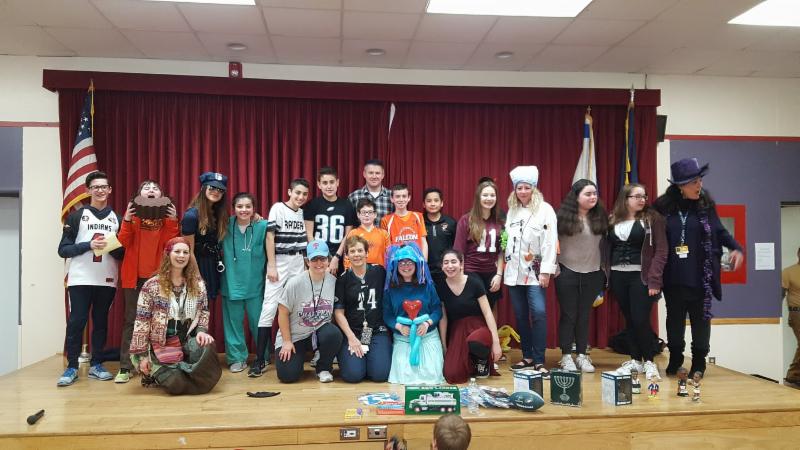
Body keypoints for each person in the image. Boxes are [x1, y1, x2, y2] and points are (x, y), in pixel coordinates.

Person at [654, 158, 743, 377]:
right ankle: (675, 360)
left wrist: (736, 248)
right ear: (680, 186)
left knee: (701, 322)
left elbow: (720, 231)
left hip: (700, 277)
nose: (699, 186)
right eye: (694, 182)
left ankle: (699, 363)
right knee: (674, 322)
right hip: (673, 277)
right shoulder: (663, 208)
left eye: (700, 180)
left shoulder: (706, 206)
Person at [57, 171, 124, 387]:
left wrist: (111, 246)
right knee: (77, 321)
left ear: (110, 190)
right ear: (88, 190)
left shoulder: (118, 219)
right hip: (80, 278)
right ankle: (71, 367)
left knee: (101, 322)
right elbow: (63, 249)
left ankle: (96, 364)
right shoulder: (77, 216)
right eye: (96, 187)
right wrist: (89, 245)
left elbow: (123, 254)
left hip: (106, 279)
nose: (100, 190)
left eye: (104, 187)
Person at [129, 237, 218, 394]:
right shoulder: (151, 285)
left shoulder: (198, 284)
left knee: (206, 346)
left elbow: (204, 310)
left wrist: (201, 332)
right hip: (159, 346)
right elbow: (142, 322)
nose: (181, 256)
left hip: (185, 341)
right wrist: (143, 356)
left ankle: (180, 368)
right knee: (176, 384)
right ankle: (169, 372)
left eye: (185, 252)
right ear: (168, 254)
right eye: (177, 251)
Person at [115, 179, 179, 383]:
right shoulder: (132, 215)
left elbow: (171, 244)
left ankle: (159, 364)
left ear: (162, 195)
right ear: (139, 194)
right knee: (131, 321)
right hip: (134, 278)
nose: (151, 190)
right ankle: (126, 366)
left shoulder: (167, 216)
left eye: (155, 188)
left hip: (159, 278)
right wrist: (126, 219)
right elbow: (122, 242)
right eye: (146, 187)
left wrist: (173, 220)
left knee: (161, 321)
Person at [608, 183, 668, 382]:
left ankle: (649, 361)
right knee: (629, 319)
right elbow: (607, 248)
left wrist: (654, 280)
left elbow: (661, 251)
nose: (642, 200)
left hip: (640, 277)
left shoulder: (652, 219)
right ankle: (635, 360)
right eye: (637, 196)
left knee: (640, 319)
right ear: (626, 199)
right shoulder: (613, 219)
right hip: (618, 275)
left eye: (644, 196)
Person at [503, 166, 557, 376]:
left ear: (534, 188)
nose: (523, 191)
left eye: (527, 188)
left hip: (535, 272)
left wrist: (546, 271)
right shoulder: (512, 210)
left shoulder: (545, 210)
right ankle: (527, 356)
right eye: (519, 188)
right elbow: (508, 241)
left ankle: (539, 359)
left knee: (539, 313)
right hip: (514, 272)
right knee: (520, 315)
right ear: (515, 190)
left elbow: (550, 242)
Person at [253, 178, 310, 377]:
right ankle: (260, 359)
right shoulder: (278, 208)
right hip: (280, 260)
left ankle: (295, 351)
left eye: (304, 194)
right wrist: (272, 265)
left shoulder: (302, 213)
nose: (301, 197)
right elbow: (270, 237)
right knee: (269, 308)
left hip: (298, 261)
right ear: (289, 192)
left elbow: (304, 241)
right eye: (297, 193)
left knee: (297, 307)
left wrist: (306, 264)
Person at [555, 179, 608, 373]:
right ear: (576, 197)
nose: (593, 197)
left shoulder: (601, 217)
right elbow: (550, 243)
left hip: (593, 273)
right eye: (588, 194)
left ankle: (582, 355)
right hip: (567, 271)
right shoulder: (562, 218)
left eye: (595, 193)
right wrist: (555, 268)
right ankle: (566, 356)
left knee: (584, 315)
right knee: (569, 315)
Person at [275, 240, 343, 383]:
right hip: (295, 336)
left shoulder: (333, 282)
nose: (319, 263)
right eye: (314, 259)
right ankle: (297, 361)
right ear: (307, 261)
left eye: (322, 259)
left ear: (328, 260)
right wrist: (287, 341)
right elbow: (282, 312)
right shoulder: (295, 283)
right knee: (288, 376)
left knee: (333, 334)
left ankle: (323, 368)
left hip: (317, 332)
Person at [220, 193, 268, 375]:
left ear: (254, 208)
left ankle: (263, 356)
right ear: (233, 208)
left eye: (248, 206)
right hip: (231, 283)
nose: (244, 210)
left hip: (255, 284)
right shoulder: (224, 225)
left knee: (259, 322)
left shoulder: (262, 226)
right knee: (233, 324)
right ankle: (237, 358)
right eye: (240, 206)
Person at [383, 243, 444, 384]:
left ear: (416, 264)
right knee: (404, 377)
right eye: (402, 263)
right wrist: (399, 326)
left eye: (409, 262)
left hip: (427, 336)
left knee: (432, 376)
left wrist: (427, 323)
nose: (406, 266)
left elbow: (437, 310)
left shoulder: (427, 285)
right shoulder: (390, 289)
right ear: (396, 266)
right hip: (403, 338)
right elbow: (387, 314)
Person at [439, 249, 502, 384]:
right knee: (452, 374)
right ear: (442, 266)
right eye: (446, 262)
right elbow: (443, 318)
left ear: (461, 264)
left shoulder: (474, 282)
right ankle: (472, 364)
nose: (450, 266)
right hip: (458, 330)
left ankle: (482, 361)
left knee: (476, 341)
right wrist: (444, 345)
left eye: (453, 262)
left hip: (478, 327)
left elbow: (488, 313)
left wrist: (496, 342)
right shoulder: (441, 286)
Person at [334, 235, 391, 383]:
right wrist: (351, 338)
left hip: (377, 330)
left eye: (360, 250)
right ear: (347, 255)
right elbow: (338, 313)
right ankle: (360, 362)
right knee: (353, 375)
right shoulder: (343, 279)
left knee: (380, 375)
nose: (356, 254)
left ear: (367, 253)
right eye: (352, 251)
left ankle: (370, 361)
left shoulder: (379, 272)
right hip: (354, 331)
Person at [453, 180, 505, 313]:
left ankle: (493, 329)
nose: (489, 198)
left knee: (492, 307)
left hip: (491, 273)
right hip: (471, 271)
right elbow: (459, 251)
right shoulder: (466, 220)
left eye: (492, 195)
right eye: (485, 195)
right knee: (477, 309)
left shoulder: (500, 222)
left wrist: (499, 275)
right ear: (478, 197)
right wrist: (461, 275)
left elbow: (501, 251)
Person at [181, 172, 228, 307]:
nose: (216, 192)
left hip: (211, 263)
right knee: (192, 307)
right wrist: (197, 276)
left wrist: (255, 216)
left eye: (220, 190)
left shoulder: (218, 213)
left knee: (204, 308)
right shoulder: (192, 215)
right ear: (203, 188)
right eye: (212, 188)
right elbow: (188, 250)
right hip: (196, 264)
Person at [304, 166, 356, 275]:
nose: (329, 186)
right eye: (325, 183)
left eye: (332, 182)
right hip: (317, 256)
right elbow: (309, 234)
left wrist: (336, 257)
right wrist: (321, 257)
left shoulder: (347, 205)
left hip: (339, 257)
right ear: (319, 184)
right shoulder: (312, 205)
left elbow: (347, 235)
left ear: (337, 182)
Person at [380, 183, 429, 260]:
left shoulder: (418, 216)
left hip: (417, 261)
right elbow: (387, 247)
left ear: (409, 198)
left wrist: (424, 262)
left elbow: (424, 242)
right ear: (392, 199)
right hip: (397, 262)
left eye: (404, 196)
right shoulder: (386, 220)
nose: (401, 199)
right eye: (397, 196)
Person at [341, 198, 391, 269]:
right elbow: (347, 257)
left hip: (380, 272)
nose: (367, 215)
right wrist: (350, 272)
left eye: (370, 212)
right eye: (364, 212)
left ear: (375, 214)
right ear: (358, 215)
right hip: (358, 273)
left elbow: (389, 256)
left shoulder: (384, 234)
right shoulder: (353, 233)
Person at [423, 187, 457, 283]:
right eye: (429, 201)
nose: (432, 204)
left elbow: (457, 247)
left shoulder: (451, 222)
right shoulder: (419, 222)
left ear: (441, 203)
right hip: (425, 271)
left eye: (436, 200)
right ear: (424, 204)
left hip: (446, 271)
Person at [348, 159, 393, 226]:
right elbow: (349, 224)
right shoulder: (354, 197)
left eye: (377, 173)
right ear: (364, 174)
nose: (374, 176)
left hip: (385, 233)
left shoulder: (392, 196)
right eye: (371, 173)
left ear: (383, 175)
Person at [782, 247, 800, 387]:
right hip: (797, 312)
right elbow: (781, 294)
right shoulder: (788, 272)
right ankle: (793, 375)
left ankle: (794, 376)